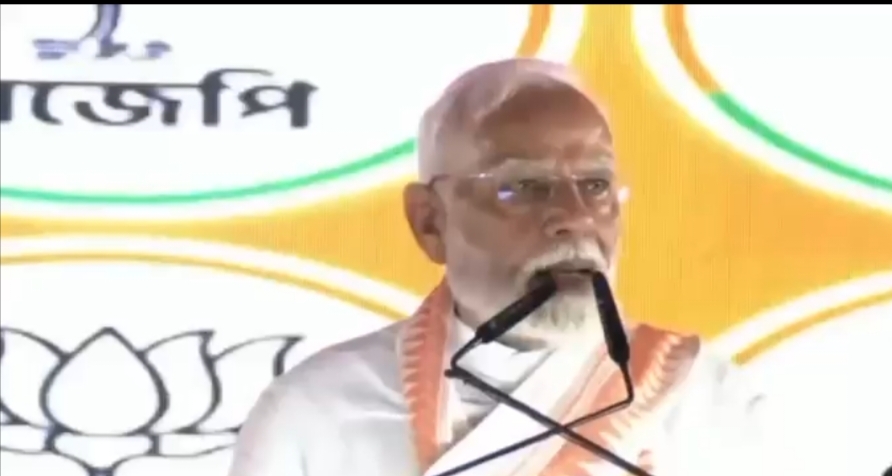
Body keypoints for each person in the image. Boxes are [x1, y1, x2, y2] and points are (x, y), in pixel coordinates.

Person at [227, 58, 798, 476]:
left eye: (596, 185)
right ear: (429, 222)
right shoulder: (316, 415)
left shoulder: (708, 403)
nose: (575, 218)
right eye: (523, 187)